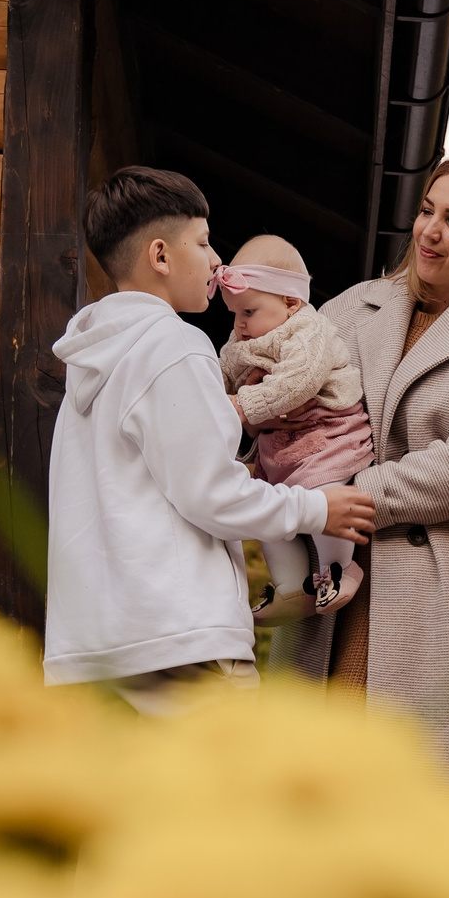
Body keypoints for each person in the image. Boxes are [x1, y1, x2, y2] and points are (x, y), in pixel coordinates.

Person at [42, 167, 376, 713]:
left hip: (89, 653)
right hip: (182, 643)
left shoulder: (90, 362)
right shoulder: (175, 344)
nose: (217, 260)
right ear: (160, 256)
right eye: (202, 242)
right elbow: (211, 494)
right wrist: (317, 508)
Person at [279, 154, 449, 776]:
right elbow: (287, 388)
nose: (430, 231)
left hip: (425, 585)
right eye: (428, 211)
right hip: (326, 574)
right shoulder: (355, 306)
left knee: (398, 784)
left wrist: (353, 491)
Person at [215, 233, 376, 622]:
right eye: (234, 314)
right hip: (279, 450)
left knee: (323, 500)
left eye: (248, 311)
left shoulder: (308, 331)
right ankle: (292, 588)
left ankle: (339, 569)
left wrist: (242, 405)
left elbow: (298, 383)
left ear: (290, 302)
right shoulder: (241, 340)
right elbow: (221, 378)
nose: (239, 324)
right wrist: (219, 398)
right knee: (269, 517)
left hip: (325, 436)